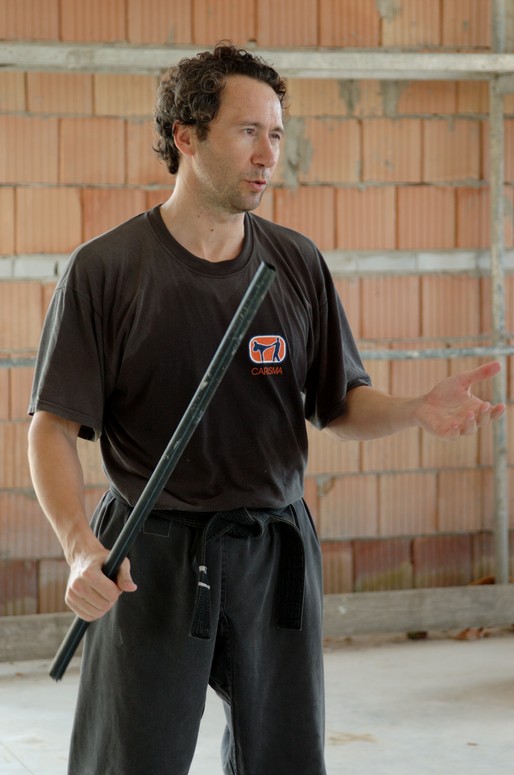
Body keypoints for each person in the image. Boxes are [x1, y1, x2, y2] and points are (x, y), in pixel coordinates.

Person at [27, 43, 504, 775]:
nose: (268, 154)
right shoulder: (108, 270)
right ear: (186, 136)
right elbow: (51, 427)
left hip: (275, 548)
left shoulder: (296, 264)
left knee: (284, 759)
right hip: (149, 554)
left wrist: (414, 409)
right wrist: (78, 547)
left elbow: (340, 404)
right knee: (128, 760)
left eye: (276, 134)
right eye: (248, 131)